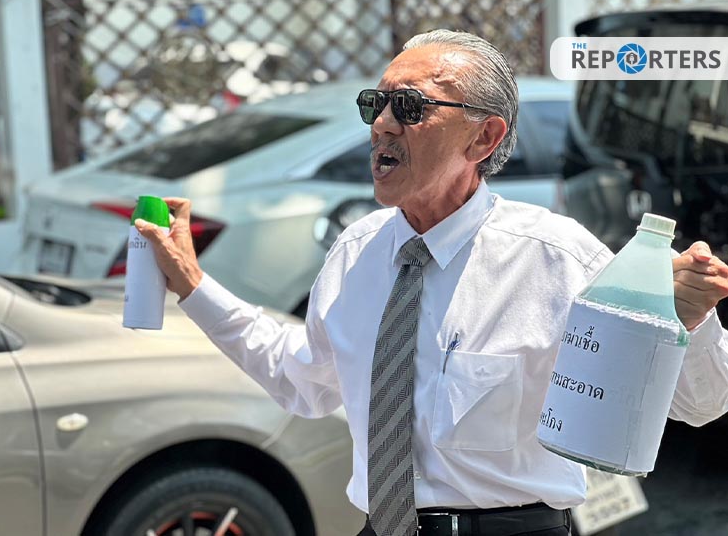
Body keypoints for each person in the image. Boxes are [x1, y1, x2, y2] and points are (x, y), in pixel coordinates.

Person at [135, 29, 728, 536]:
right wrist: (192, 282)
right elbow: (302, 381)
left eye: (410, 107)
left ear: (483, 138)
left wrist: (691, 321)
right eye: (376, 104)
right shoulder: (357, 252)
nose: (382, 126)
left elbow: (701, 404)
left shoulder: (556, 258)